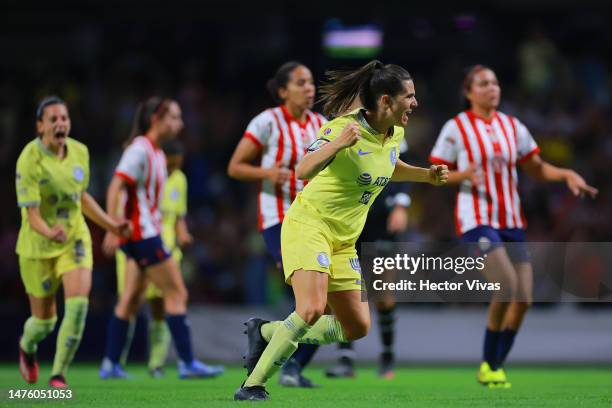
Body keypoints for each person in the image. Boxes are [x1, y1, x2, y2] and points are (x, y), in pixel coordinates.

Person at [234, 60, 449, 401]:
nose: (415, 103)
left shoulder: (395, 134)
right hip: (310, 225)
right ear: (385, 101)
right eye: (408, 96)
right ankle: (252, 385)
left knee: (356, 327)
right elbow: (303, 170)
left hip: (344, 241)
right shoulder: (340, 129)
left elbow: (388, 166)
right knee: (310, 310)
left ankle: (265, 331)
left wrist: (426, 176)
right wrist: (337, 144)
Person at [429, 65, 598, 388]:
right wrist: (462, 175)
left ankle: (492, 366)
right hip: (476, 220)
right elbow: (435, 174)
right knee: (505, 287)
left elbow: (535, 167)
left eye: (494, 82)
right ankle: (490, 365)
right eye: (483, 83)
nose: (492, 88)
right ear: (469, 92)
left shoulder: (512, 126)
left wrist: (566, 174)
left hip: (511, 221)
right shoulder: (456, 128)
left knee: (523, 300)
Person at [99, 97, 223, 380]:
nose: (180, 123)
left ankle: (110, 364)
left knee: (129, 299)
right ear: (157, 119)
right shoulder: (141, 149)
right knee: (177, 292)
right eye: (175, 117)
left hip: (138, 235)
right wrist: (110, 225)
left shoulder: (155, 152)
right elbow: (116, 184)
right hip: (144, 234)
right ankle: (188, 362)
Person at [16, 96, 131, 388]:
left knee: (78, 306)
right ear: (40, 126)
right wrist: (49, 231)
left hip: (73, 238)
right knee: (43, 324)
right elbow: (31, 214)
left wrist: (111, 225)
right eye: (53, 119)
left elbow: (81, 198)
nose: (60, 124)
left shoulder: (80, 151)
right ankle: (27, 347)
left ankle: (58, 374)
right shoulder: (29, 158)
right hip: (39, 245)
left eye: (64, 118)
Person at [228, 61, 326, 388]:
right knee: (309, 300)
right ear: (283, 90)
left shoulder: (321, 124)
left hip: (315, 219)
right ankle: (285, 363)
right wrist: (267, 173)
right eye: (301, 82)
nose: (309, 88)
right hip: (279, 218)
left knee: (321, 302)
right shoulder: (267, 122)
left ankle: (284, 356)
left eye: (311, 82)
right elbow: (235, 166)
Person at [325, 138, 411, 380]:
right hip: (350, 220)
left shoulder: (392, 132)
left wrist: (402, 205)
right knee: (345, 291)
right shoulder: (344, 129)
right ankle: (345, 360)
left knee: (382, 295)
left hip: (381, 224)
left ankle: (386, 357)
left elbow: (402, 167)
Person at [113, 139, 193, 378]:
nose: (173, 170)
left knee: (163, 306)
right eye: (170, 165)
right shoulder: (141, 172)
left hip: (166, 249)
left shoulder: (179, 179)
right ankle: (116, 361)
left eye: (178, 166)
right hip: (138, 245)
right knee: (129, 303)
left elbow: (177, 216)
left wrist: (183, 234)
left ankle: (156, 364)